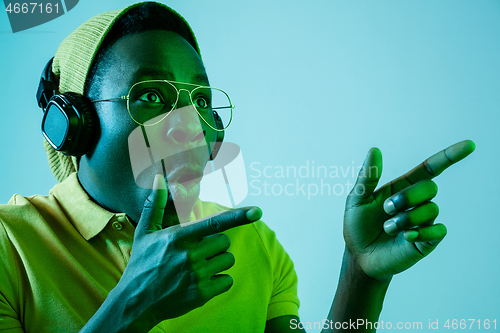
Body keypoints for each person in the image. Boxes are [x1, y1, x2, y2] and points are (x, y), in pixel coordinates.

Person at [0, 2, 475, 332]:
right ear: (74, 126)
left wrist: (362, 275)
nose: (187, 125)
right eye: (150, 97)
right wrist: (131, 307)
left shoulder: (255, 245)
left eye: (202, 102)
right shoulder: (10, 245)